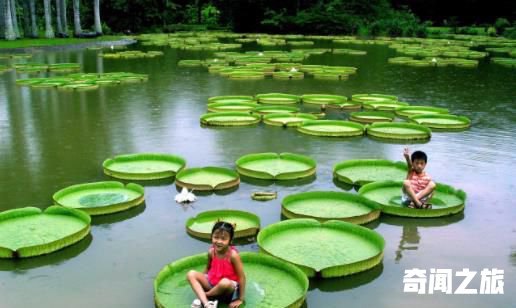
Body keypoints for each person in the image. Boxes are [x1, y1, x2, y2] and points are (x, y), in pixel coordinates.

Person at [187, 221, 246, 308]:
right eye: (216, 237)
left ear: (230, 240)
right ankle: (207, 304)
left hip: (228, 288)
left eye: (223, 239)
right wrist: (201, 282)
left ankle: (204, 296)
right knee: (191, 274)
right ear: (211, 237)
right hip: (212, 283)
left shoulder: (233, 255)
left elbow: (242, 277)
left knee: (224, 282)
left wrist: (240, 298)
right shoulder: (211, 252)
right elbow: (207, 269)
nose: (218, 241)